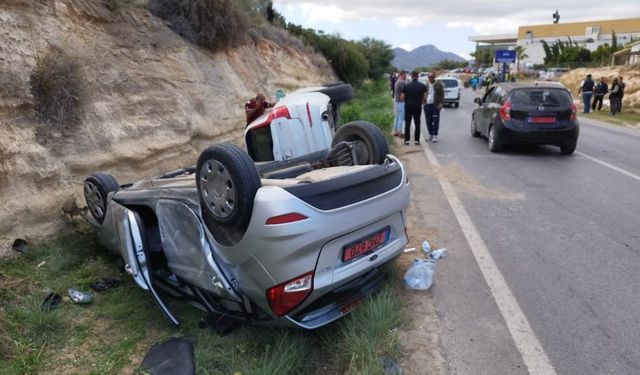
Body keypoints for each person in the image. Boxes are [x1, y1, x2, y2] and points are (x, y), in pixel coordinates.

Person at [400, 71, 427, 145]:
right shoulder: (422, 86)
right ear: (417, 76)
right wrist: (420, 101)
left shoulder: (406, 86)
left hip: (408, 107)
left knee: (407, 124)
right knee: (417, 123)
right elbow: (424, 98)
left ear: (411, 76)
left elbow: (402, 98)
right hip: (417, 107)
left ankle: (407, 141)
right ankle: (417, 141)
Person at [423, 72, 444, 143]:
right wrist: (423, 102)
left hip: (435, 105)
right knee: (428, 121)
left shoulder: (438, 85)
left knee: (435, 121)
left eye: (432, 77)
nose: (430, 78)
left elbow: (442, 95)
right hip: (427, 105)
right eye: (429, 77)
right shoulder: (426, 84)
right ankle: (430, 134)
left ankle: (435, 135)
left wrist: (441, 103)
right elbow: (423, 93)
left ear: (434, 77)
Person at [392, 70, 407, 137]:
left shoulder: (397, 81)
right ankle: (400, 132)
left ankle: (395, 131)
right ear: (402, 74)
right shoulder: (402, 82)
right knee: (401, 117)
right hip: (401, 102)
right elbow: (406, 91)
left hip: (397, 101)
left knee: (397, 116)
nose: (406, 76)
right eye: (405, 74)